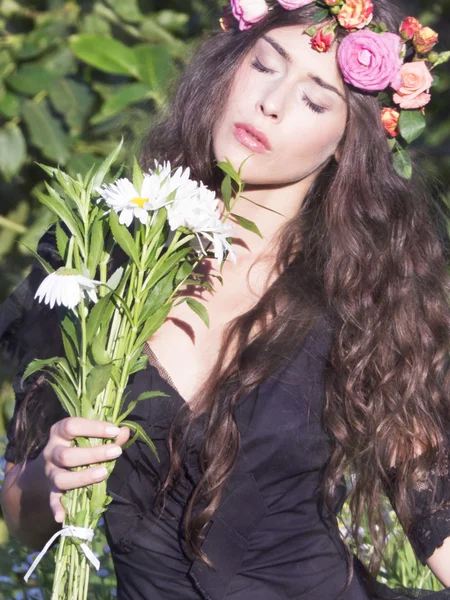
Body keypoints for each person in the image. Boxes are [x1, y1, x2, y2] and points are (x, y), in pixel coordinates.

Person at [2, 0, 450, 598]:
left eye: (315, 100)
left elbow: (435, 514)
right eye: (265, 65)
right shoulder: (94, 252)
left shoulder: (365, 295)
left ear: (348, 143)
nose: (271, 102)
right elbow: (22, 517)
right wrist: (51, 475)